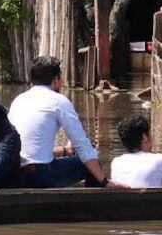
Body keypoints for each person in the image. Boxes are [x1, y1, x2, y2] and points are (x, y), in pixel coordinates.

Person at [8, 55, 112, 188]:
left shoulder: (19, 100)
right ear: (56, 80)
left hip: (14, 172)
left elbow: (31, 149)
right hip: (41, 174)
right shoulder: (58, 101)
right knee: (93, 164)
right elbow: (82, 145)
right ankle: (90, 205)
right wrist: (105, 181)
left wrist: (64, 151)